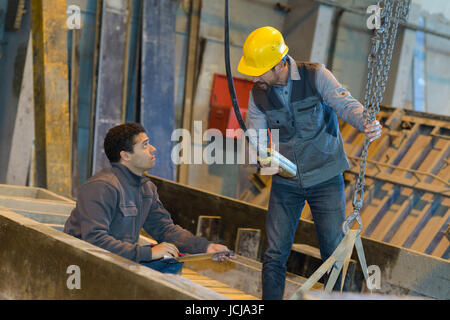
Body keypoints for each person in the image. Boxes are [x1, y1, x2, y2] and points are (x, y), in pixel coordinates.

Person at [237, 26, 382, 299]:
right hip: (286, 182)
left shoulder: (316, 75)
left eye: (261, 72)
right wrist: (262, 154)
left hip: (326, 180)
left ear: (280, 65)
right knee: (274, 253)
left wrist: (366, 122)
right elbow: (255, 134)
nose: (256, 78)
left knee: (333, 253)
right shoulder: (258, 94)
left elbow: (345, 104)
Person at [64, 123, 231, 274]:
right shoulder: (101, 187)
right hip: (82, 267)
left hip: (117, 261)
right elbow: (95, 240)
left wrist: (205, 247)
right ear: (126, 156)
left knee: (171, 263)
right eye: (144, 145)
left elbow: (165, 230)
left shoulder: (146, 188)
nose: (153, 149)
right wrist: (148, 253)